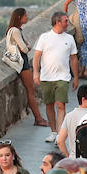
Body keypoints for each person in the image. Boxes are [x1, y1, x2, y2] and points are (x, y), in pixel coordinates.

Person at [32, 10, 79, 140]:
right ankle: (53, 131)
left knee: (60, 104)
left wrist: (76, 77)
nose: (67, 23)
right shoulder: (44, 37)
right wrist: (36, 73)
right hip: (46, 77)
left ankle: (59, 133)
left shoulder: (69, 38)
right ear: (57, 22)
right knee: (49, 104)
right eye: (65, 21)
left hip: (63, 77)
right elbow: (36, 57)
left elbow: (74, 59)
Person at [5, 8, 46, 126]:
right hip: (22, 63)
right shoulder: (16, 31)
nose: (27, 18)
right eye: (25, 16)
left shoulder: (14, 30)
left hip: (21, 62)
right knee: (31, 91)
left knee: (30, 91)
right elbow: (24, 48)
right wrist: (27, 47)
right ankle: (38, 118)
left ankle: (39, 118)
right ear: (19, 17)